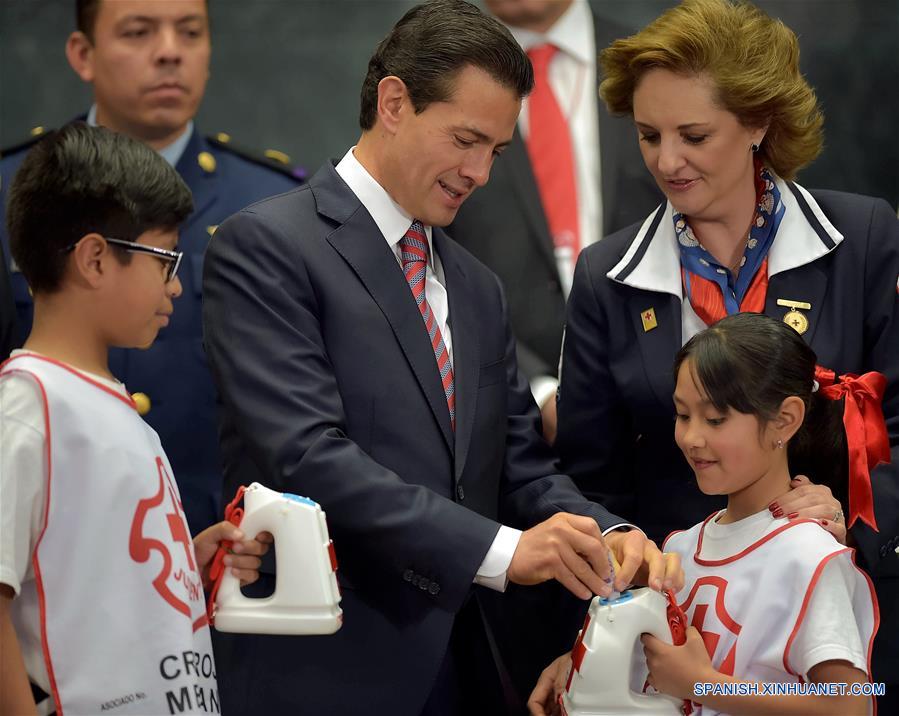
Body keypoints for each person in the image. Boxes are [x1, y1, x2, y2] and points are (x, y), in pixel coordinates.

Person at [202, 2, 681, 714]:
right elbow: (305, 455)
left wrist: (601, 533)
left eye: (496, 151)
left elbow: (516, 464)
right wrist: (499, 552)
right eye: (465, 139)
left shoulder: (475, 284)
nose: (480, 172)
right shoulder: (267, 246)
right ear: (393, 102)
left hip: (471, 668)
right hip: (325, 666)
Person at [553, 0, 899, 705]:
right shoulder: (605, 274)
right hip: (680, 638)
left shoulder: (861, 237)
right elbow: (590, 477)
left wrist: (858, 518)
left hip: (846, 622)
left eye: (694, 134)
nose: (666, 160)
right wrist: (601, 616)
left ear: (758, 124)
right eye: (649, 135)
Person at [0, 0, 304, 536]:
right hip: (42, 529)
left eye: (190, 33)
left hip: (216, 540)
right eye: (138, 32)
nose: (169, 53)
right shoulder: (12, 188)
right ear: (83, 53)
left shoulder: (273, 203)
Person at [0, 123, 270, 716]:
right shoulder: (29, 407)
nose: (176, 284)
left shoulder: (110, 404)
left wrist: (181, 567)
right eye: (164, 259)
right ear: (95, 258)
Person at [531, 312, 881, 715]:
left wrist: (705, 685)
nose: (692, 438)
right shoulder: (679, 547)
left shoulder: (811, 554)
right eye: (682, 415)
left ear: (785, 419)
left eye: (716, 419)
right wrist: (586, 665)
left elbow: (849, 706)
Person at [450, 0, 660, 444]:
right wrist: (538, 391)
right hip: (504, 424)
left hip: (666, 410)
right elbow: (423, 255)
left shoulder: (658, 60)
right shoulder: (439, 69)